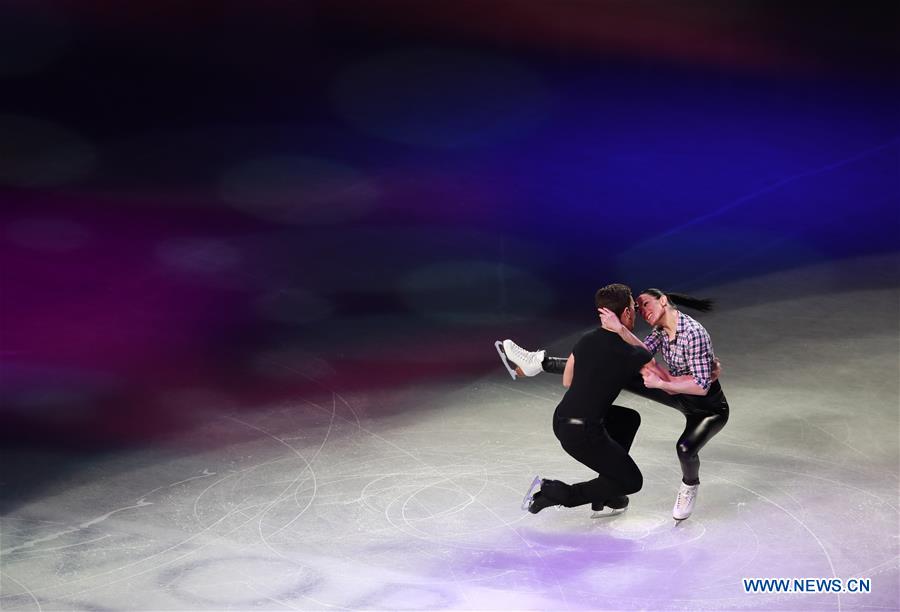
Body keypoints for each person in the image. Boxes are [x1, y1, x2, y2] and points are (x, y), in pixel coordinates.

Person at [499, 289, 729, 521]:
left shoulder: (692, 332)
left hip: (704, 406)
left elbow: (698, 385)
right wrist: (650, 372)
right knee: (620, 377)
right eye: (637, 308)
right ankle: (600, 490)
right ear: (627, 311)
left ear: (663, 301)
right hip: (664, 395)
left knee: (674, 443)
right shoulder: (659, 332)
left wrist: (621, 334)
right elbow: (643, 352)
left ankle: (687, 486)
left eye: (646, 304)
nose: (642, 312)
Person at [521, 283, 656, 518]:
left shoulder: (586, 339)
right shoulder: (627, 352)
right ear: (625, 313)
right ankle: (555, 492)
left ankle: (607, 495)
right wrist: (622, 332)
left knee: (627, 419)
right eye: (633, 308)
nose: (636, 312)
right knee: (632, 481)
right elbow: (647, 356)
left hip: (562, 419)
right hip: (583, 432)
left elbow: (567, 380)